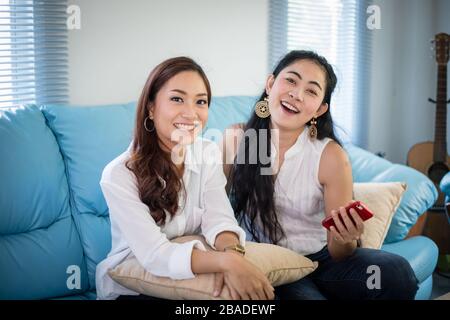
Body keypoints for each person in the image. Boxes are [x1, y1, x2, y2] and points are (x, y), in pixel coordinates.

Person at [221, 50, 419, 300]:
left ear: (319, 109)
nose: (297, 94)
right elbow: (212, 205)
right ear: (270, 84)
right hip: (267, 261)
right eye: (291, 80)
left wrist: (345, 238)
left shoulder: (331, 156)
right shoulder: (237, 139)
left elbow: (340, 253)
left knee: (397, 272)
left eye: (311, 91)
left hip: (322, 261)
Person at [95, 57, 274, 300]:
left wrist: (232, 256)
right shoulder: (118, 174)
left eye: (200, 101)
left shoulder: (207, 153)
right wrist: (225, 264)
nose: (191, 113)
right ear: (151, 107)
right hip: (133, 288)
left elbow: (219, 219)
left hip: (190, 277)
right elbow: (154, 255)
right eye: (177, 99)